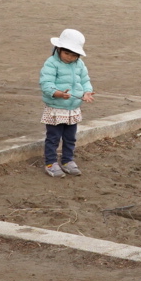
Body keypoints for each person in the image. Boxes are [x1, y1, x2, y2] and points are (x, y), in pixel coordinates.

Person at [39, 28, 93, 177]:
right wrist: (57, 93)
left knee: (70, 137)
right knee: (53, 137)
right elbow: (46, 83)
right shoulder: (51, 63)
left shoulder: (79, 65)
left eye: (74, 55)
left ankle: (67, 160)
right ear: (59, 49)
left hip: (73, 108)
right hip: (56, 107)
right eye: (66, 53)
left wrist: (86, 92)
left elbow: (85, 80)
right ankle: (50, 162)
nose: (70, 57)